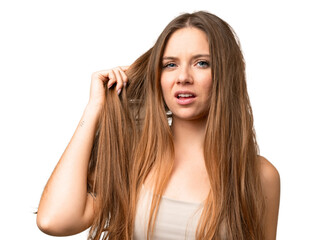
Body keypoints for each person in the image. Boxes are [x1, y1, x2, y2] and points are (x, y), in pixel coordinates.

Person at [36, 11, 280, 240]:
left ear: (225, 74)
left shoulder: (259, 175)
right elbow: (53, 220)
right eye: (170, 64)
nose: (183, 77)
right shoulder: (134, 159)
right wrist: (94, 108)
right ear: (158, 76)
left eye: (202, 63)